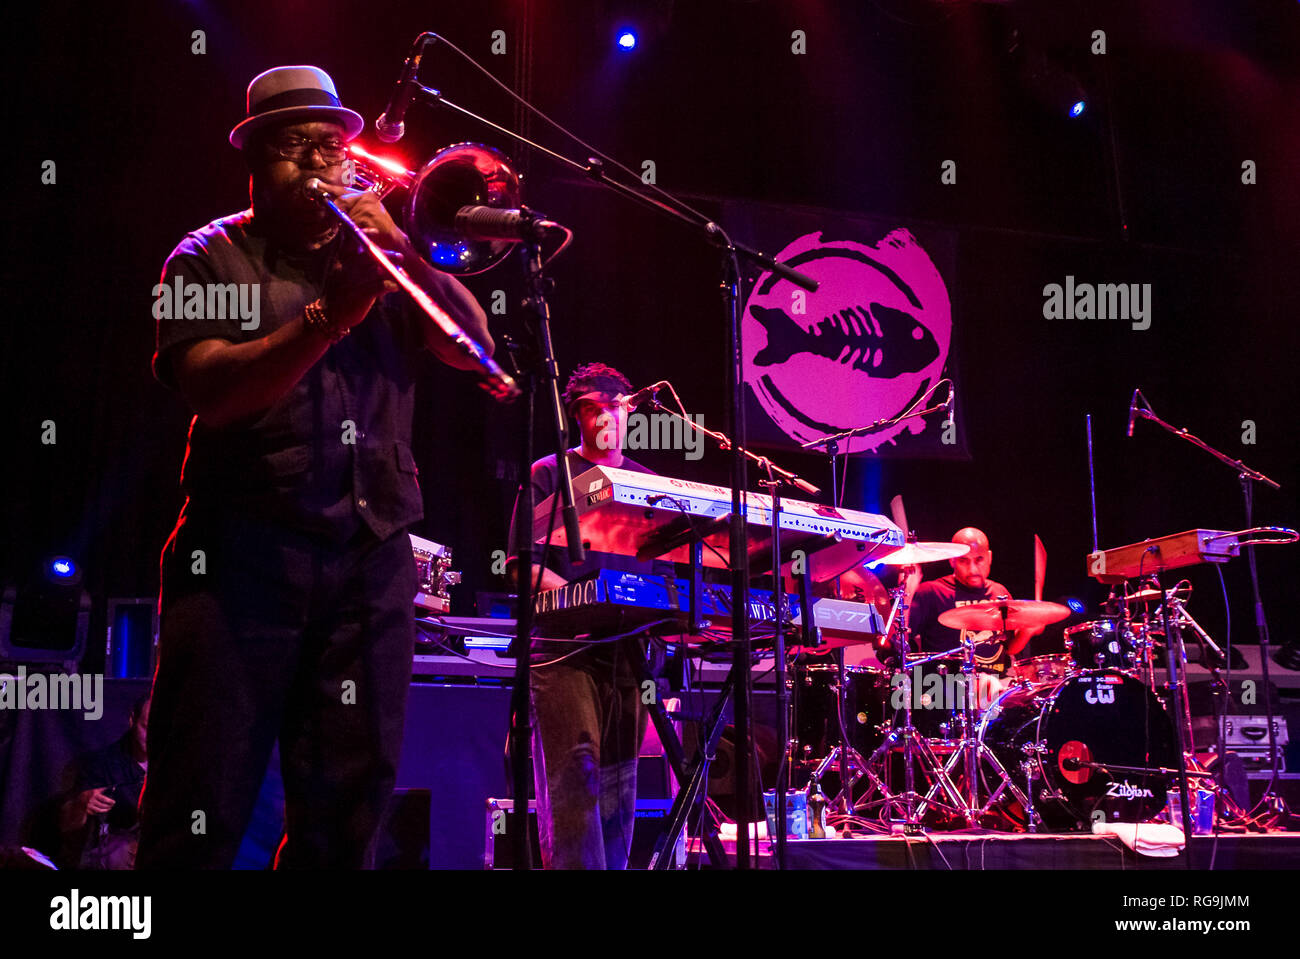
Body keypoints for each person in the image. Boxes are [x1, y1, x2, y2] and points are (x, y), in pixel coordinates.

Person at [137, 66, 492, 869]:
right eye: (298, 149)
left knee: (350, 805)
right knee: (201, 795)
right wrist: (331, 316)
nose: (321, 167)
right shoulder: (205, 258)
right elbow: (212, 389)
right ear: (256, 162)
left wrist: (401, 248)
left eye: (332, 150)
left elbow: (474, 345)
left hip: (370, 562)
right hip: (241, 556)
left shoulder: (382, 258)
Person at [508, 362, 667, 869]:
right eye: (594, 409)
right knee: (577, 779)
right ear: (576, 415)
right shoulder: (549, 472)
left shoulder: (648, 482)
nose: (608, 419)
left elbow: (665, 571)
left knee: (621, 789)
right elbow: (522, 566)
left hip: (631, 652)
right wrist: (588, 601)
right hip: (566, 650)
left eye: (617, 409)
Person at [905, 528, 1041, 710]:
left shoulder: (999, 592)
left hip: (995, 685)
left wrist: (1028, 630)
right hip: (946, 687)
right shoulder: (931, 592)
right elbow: (902, 639)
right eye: (964, 561)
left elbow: (1010, 648)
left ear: (990, 557)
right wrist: (907, 593)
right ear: (952, 559)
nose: (973, 569)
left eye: (979, 560)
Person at [60, 694, 150, 870]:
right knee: (122, 853)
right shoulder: (104, 764)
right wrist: (82, 803)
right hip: (117, 851)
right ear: (132, 720)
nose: (154, 737)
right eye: (147, 728)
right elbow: (67, 825)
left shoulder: (177, 763)